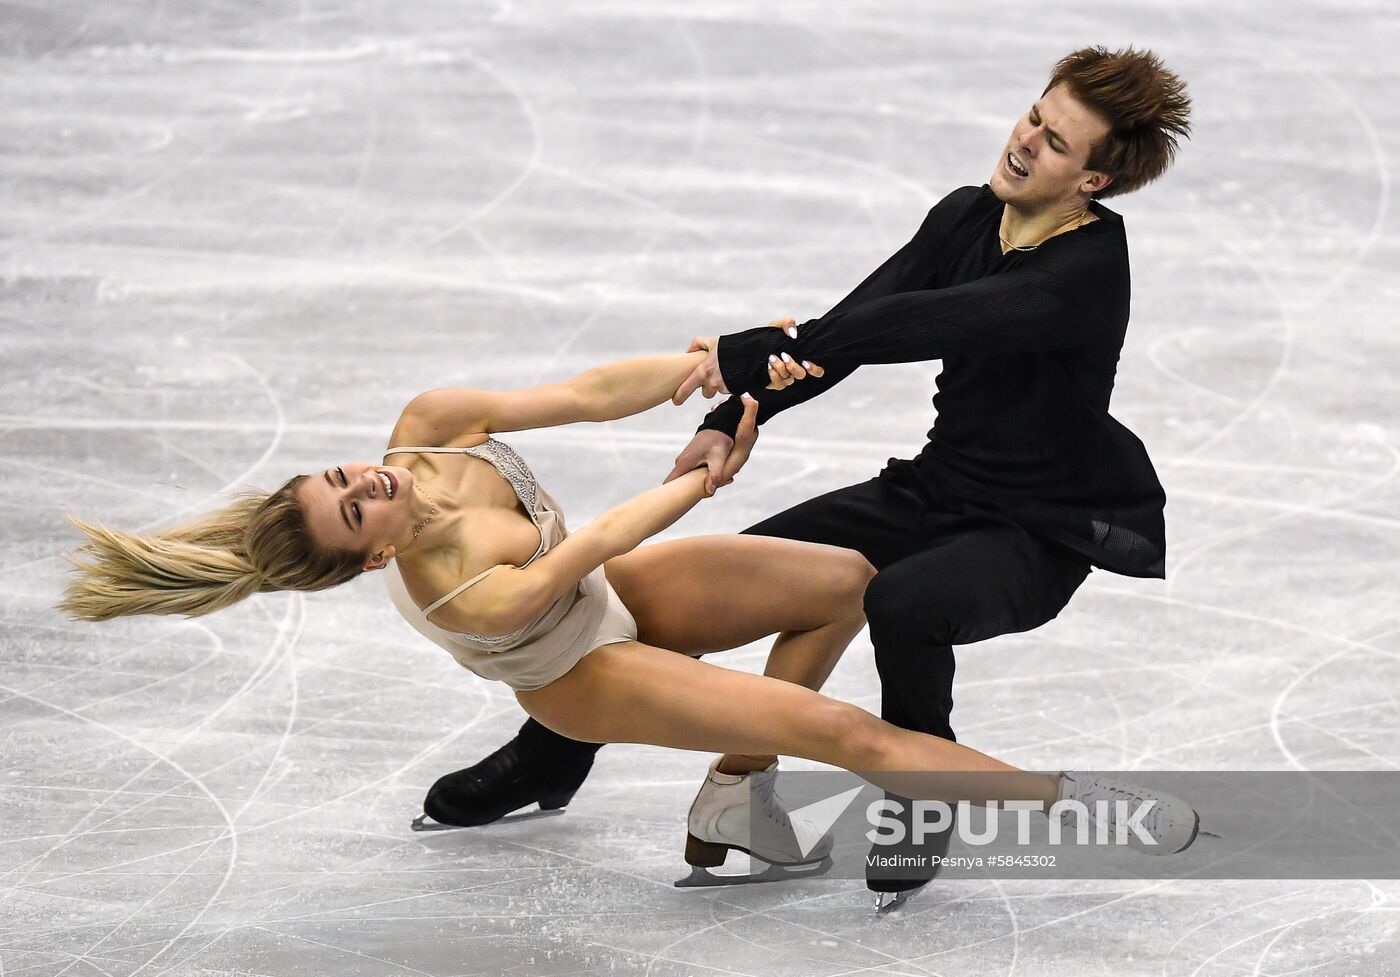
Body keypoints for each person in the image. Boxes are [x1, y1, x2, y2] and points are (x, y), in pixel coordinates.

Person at [425, 45, 1193, 908]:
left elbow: (906, 325)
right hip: (938, 487)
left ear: (1091, 183)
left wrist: (749, 351)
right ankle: (552, 752)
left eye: (1057, 145)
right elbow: (855, 324)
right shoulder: (968, 217)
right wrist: (729, 418)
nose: (1026, 142)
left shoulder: (1086, 273)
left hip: (1033, 529)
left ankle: (921, 793)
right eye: (1034, 118)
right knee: (730, 579)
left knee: (902, 601)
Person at [59, 342, 1200, 899]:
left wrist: (693, 367)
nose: (368, 477)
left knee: (845, 578)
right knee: (853, 737)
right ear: (373, 555)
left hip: (606, 590)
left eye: (340, 472)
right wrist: (707, 473)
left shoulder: (425, 426)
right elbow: (599, 541)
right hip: (580, 665)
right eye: (357, 506)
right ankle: (1096, 814)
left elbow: (573, 396)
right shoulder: (464, 585)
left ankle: (732, 788)